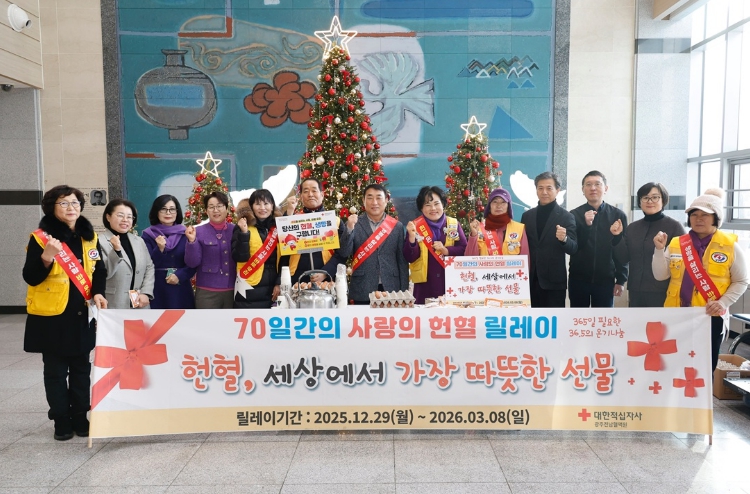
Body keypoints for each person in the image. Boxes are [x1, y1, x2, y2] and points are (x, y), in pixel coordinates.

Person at [22, 185, 108, 441]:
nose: (71, 208)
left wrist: (98, 292)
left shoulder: (89, 236)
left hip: (81, 315)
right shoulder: (41, 238)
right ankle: (61, 419)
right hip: (52, 318)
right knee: (56, 373)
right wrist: (46, 258)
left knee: (81, 370)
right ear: (52, 208)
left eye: (75, 202)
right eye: (64, 203)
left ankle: (81, 416)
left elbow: (99, 270)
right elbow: (31, 277)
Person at [653, 189, 749, 372]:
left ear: (716, 218)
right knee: (673, 362)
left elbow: (741, 281)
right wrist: (659, 250)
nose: (698, 219)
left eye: (705, 215)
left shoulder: (730, 246)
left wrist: (722, 303)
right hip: (676, 313)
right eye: (694, 214)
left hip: (709, 316)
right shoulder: (676, 243)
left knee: (705, 364)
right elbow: (660, 275)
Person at [610, 182, 685, 307]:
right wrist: (617, 237)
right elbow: (624, 258)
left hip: (664, 291)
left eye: (655, 197)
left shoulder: (674, 226)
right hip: (636, 290)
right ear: (640, 202)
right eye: (645, 197)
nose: (650, 201)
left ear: (663, 200)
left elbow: (682, 263)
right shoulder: (633, 227)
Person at [339, 184, 409, 304]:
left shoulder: (396, 226)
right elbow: (344, 252)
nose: (374, 202)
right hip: (363, 287)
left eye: (378, 197)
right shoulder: (354, 224)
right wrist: (349, 228)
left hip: (391, 287)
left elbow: (401, 261)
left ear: (386, 200)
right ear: (363, 200)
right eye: (370, 198)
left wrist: (404, 291)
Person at [569, 170, 628, 307]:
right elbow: (573, 247)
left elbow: (623, 250)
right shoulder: (574, 215)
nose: (593, 188)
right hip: (578, 279)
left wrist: (621, 279)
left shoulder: (618, 215)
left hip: (606, 280)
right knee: (577, 317)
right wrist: (586, 225)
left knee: (604, 318)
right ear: (583, 189)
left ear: (605, 188)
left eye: (597, 184)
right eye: (588, 184)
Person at [520, 172, 578, 308]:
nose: (544, 192)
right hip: (529, 280)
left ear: (557, 190)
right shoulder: (527, 216)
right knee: (530, 319)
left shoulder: (566, 216)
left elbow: (573, 248)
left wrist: (564, 239)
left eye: (549, 188)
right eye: (540, 188)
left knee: (554, 320)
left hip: (554, 283)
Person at [403, 186, 467, 304]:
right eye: (427, 205)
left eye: (436, 204)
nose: (433, 208)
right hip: (424, 287)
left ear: (443, 204)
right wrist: (411, 238)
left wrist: (446, 250)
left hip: (450, 284)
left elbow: (464, 250)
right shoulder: (415, 226)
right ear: (421, 208)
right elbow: (410, 257)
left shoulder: (453, 224)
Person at [278, 178, 346, 284]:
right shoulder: (292, 220)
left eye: (314, 190)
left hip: (327, 281)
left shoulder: (335, 221)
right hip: (296, 280)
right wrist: (278, 281)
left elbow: (342, 253)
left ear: (322, 195)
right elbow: (283, 253)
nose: (310, 194)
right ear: (301, 196)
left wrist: (326, 272)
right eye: (306, 191)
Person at [99, 199, 155, 309]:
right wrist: (116, 251)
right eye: (120, 215)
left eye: (129, 217)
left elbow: (149, 267)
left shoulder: (139, 241)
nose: (125, 220)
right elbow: (104, 273)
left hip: (139, 304)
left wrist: (146, 292)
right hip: (113, 304)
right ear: (108, 217)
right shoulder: (99, 241)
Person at [142, 195, 195, 309]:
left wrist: (180, 276)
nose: (168, 213)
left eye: (172, 209)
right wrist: (159, 249)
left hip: (181, 288)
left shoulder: (186, 234)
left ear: (177, 212)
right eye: (163, 209)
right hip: (157, 288)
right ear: (156, 211)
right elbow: (146, 264)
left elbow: (193, 262)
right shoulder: (147, 235)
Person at [185, 191, 236, 309]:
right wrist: (192, 242)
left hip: (233, 289)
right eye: (211, 207)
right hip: (206, 292)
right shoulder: (198, 231)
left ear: (226, 208)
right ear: (206, 211)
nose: (215, 210)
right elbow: (192, 262)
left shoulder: (236, 230)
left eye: (219, 206)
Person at [232, 189, 281, 308]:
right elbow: (239, 257)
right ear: (252, 207)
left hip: (274, 289)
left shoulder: (278, 228)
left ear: (272, 206)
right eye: (258, 204)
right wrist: (244, 233)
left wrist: (279, 282)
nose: (262, 208)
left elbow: (285, 258)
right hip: (249, 289)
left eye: (266, 203)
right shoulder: (242, 226)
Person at [466, 187, 529, 257]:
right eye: (495, 202)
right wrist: (474, 236)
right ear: (489, 206)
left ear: (508, 206)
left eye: (503, 202)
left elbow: (525, 259)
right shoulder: (479, 228)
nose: (498, 206)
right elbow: (469, 259)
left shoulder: (519, 229)